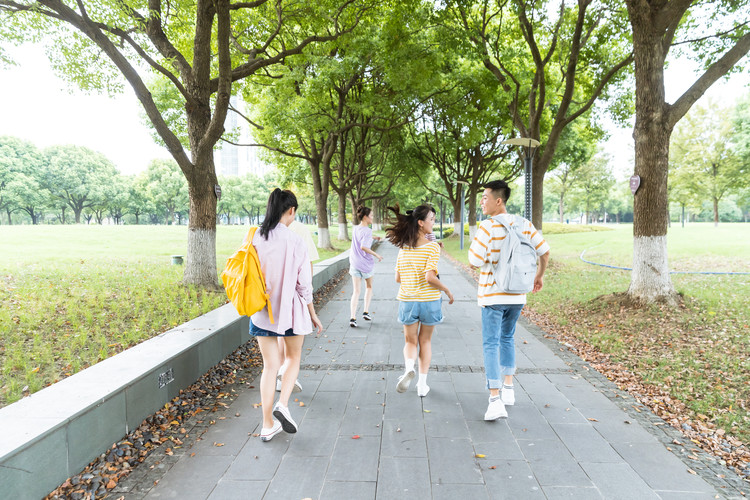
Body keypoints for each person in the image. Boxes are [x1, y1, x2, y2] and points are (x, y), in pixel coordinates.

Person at [468, 180, 550, 421]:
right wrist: (539, 276)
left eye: (485, 197)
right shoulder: (525, 225)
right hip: (518, 295)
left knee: (491, 344)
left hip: (493, 295)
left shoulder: (487, 227)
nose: (482, 202)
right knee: (507, 338)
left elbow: (473, 261)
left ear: (498, 200)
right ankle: (509, 388)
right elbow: (544, 251)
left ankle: (495, 400)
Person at [248, 189, 323, 441]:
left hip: (262, 311)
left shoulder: (255, 237)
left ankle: (267, 425)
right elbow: (304, 285)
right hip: (291, 312)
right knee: (292, 358)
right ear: (290, 210)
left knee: (269, 367)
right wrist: (313, 313)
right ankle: (283, 404)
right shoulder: (295, 241)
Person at [386, 204, 454, 397]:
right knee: (425, 341)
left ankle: (409, 367)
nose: (434, 222)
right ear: (421, 223)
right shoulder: (432, 247)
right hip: (430, 301)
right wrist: (447, 290)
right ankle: (422, 386)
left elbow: (398, 278)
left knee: (410, 341)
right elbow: (430, 277)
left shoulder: (404, 249)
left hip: (408, 300)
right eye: (432, 219)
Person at [276, 219, 319, 393]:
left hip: (272, 296)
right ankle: (287, 374)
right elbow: (307, 263)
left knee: (280, 334)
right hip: (294, 295)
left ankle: (280, 373)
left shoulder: (264, 232)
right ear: (291, 209)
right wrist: (309, 300)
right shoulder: (299, 230)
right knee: (294, 349)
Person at [349, 206, 383, 327]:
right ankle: (365, 311)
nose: (373, 218)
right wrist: (377, 254)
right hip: (366, 264)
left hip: (354, 263)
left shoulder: (356, 229)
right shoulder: (367, 231)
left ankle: (352, 317)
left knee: (356, 291)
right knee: (369, 287)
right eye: (372, 216)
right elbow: (364, 246)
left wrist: (373, 238)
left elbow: (360, 239)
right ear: (365, 217)